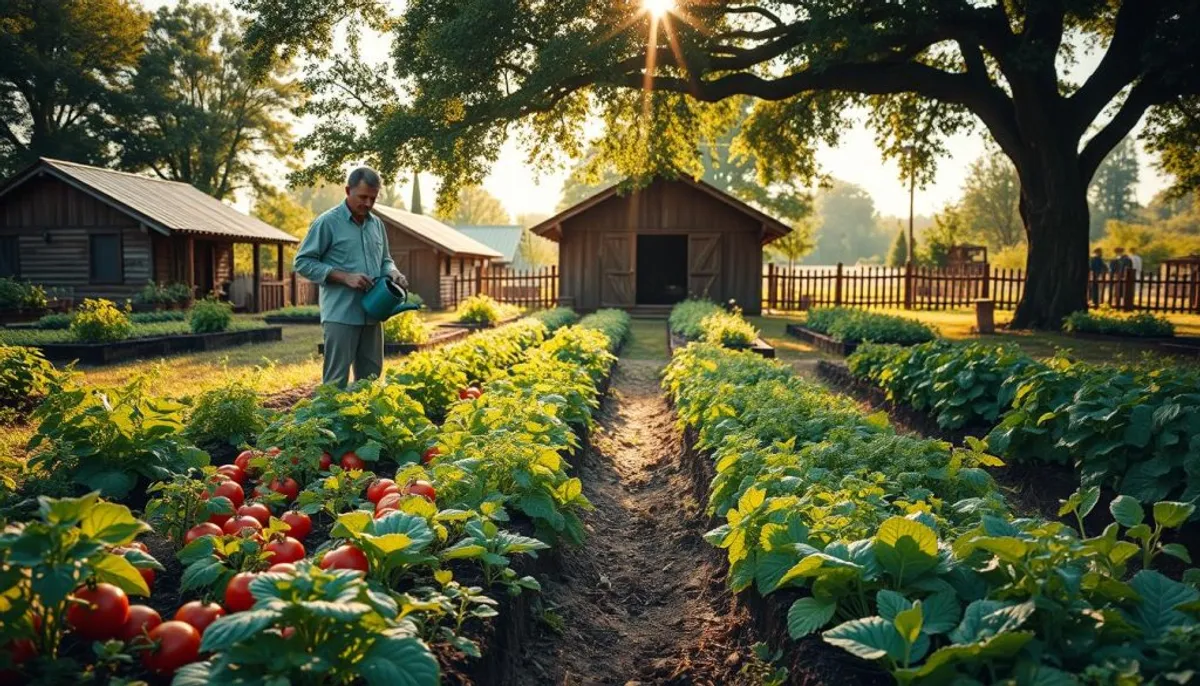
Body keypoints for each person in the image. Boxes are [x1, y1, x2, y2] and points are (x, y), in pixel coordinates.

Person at [294, 166, 408, 388]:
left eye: (372, 199)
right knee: (335, 382)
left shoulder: (377, 225)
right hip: (341, 313)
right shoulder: (327, 222)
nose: (367, 203)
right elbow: (303, 262)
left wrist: (393, 272)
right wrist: (344, 277)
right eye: (362, 196)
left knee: (371, 380)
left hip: (373, 313)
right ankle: (330, 422)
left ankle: (364, 422)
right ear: (348, 190)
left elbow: (385, 259)